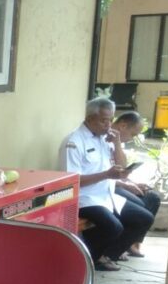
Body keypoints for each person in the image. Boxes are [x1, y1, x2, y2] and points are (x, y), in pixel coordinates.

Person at [58, 98, 153, 271]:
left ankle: (106, 256)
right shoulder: (74, 141)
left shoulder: (104, 138)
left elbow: (122, 165)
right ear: (90, 118)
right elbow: (72, 181)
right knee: (113, 227)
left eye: (110, 120)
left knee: (143, 218)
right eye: (104, 120)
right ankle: (84, 263)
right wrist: (106, 175)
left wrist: (117, 143)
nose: (108, 125)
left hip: (106, 194)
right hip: (84, 198)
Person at [111, 110, 162, 258]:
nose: (132, 139)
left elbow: (121, 168)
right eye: (133, 134)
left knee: (152, 197)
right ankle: (116, 248)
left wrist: (132, 183)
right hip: (108, 188)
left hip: (116, 183)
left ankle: (133, 243)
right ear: (123, 126)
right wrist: (125, 185)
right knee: (140, 205)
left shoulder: (116, 141)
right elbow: (105, 174)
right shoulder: (102, 140)